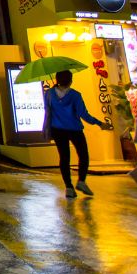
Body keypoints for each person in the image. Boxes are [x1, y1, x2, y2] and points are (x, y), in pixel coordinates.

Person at [43, 70, 111, 198]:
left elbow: (47, 111)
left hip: (57, 130)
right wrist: (99, 123)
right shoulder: (75, 95)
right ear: (70, 80)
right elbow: (83, 114)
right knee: (83, 155)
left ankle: (69, 187)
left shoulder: (49, 94)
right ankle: (81, 181)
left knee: (64, 158)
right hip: (75, 129)